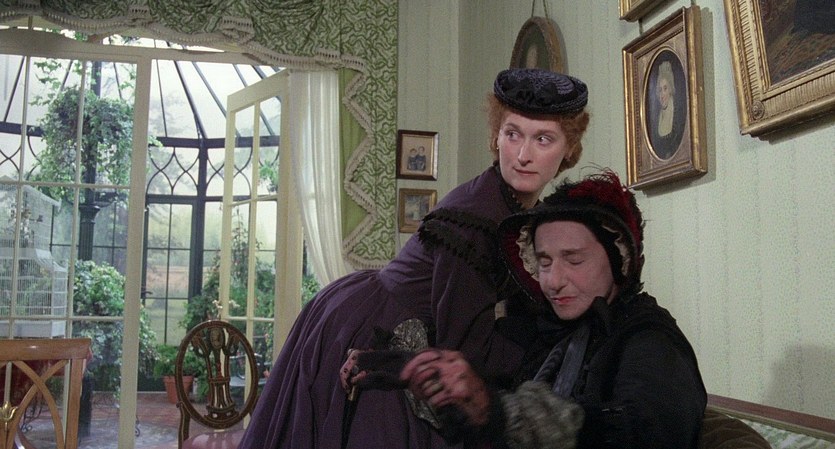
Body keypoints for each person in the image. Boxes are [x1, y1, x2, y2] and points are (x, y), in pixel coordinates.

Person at [237, 67, 590, 449]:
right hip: (377, 325)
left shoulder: (517, 209)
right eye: (512, 134)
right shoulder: (476, 221)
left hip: (378, 310)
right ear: (496, 136)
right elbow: (466, 351)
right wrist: (546, 351)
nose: (523, 155)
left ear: (569, 149)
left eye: (543, 139)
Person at [397, 171, 707, 448]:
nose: (554, 281)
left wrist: (497, 411)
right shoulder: (545, 331)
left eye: (574, 260)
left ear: (620, 261)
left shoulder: (651, 339)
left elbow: (643, 431)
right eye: (544, 262)